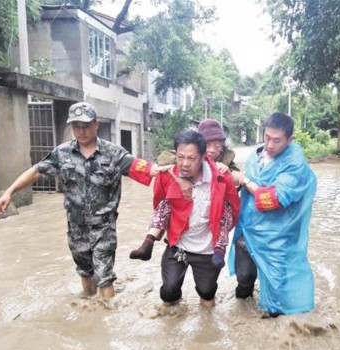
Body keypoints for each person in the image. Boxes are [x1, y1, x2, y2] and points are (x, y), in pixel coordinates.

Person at [0, 102, 165, 299]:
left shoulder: (113, 153)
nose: (81, 131)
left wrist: (171, 170)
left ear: (95, 124)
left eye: (85, 126)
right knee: (85, 272)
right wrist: (9, 192)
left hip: (104, 226)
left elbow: (144, 168)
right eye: (76, 127)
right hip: (76, 227)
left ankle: (106, 318)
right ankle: (89, 312)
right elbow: (36, 172)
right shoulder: (63, 153)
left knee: (104, 276)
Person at [229, 112, 317, 316]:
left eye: (276, 140)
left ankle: (278, 322)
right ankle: (243, 317)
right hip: (247, 231)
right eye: (266, 137)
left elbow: (275, 198)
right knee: (244, 279)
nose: (269, 144)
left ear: (290, 139)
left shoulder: (295, 164)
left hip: (277, 237)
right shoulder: (256, 155)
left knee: (278, 287)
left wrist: (245, 181)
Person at [129, 119, 239, 266]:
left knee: (225, 210)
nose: (212, 150)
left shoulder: (226, 162)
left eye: (217, 146)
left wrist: (228, 173)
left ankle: (219, 249)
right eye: (208, 145)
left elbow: (237, 185)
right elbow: (164, 162)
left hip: (212, 211)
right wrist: (179, 179)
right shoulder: (184, 154)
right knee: (166, 203)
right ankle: (150, 240)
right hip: (186, 209)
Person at [153, 130, 239, 308]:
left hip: (207, 250)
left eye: (191, 159)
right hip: (178, 245)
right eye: (180, 157)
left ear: (202, 157)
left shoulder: (222, 178)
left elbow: (232, 210)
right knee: (168, 292)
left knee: (207, 293)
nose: (184, 164)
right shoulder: (167, 175)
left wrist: (220, 244)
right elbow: (160, 203)